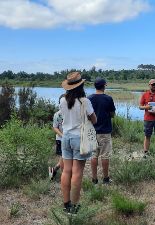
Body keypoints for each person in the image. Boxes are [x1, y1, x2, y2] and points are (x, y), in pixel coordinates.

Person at [60, 71, 97, 213]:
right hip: (79, 138)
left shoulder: (63, 100)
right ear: (80, 86)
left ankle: (66, 204)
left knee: (66, 171)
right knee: (77, 173)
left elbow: (64, 117)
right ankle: (74, 206)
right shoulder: (84, 101)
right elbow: (94, 120)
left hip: (66, 137)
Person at [88, 78, 116, 185]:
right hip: (105, 131)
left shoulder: (89, 98)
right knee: (105, 155)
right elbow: (112, 114)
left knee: (94, 155)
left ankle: (94, 179)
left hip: (92, 131)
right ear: (104, 86)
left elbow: (86, 115)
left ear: (95, 86)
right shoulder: (108, 99)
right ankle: (105, 179)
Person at [49, 94, 65, 180]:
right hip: (60, 139)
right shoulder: (57, 114)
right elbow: (55, 127)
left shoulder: (71, 113)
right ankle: (64, 176)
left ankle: (54, 170)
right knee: (63, 158)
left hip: (70, 139)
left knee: (63, 158)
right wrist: (62, 135)